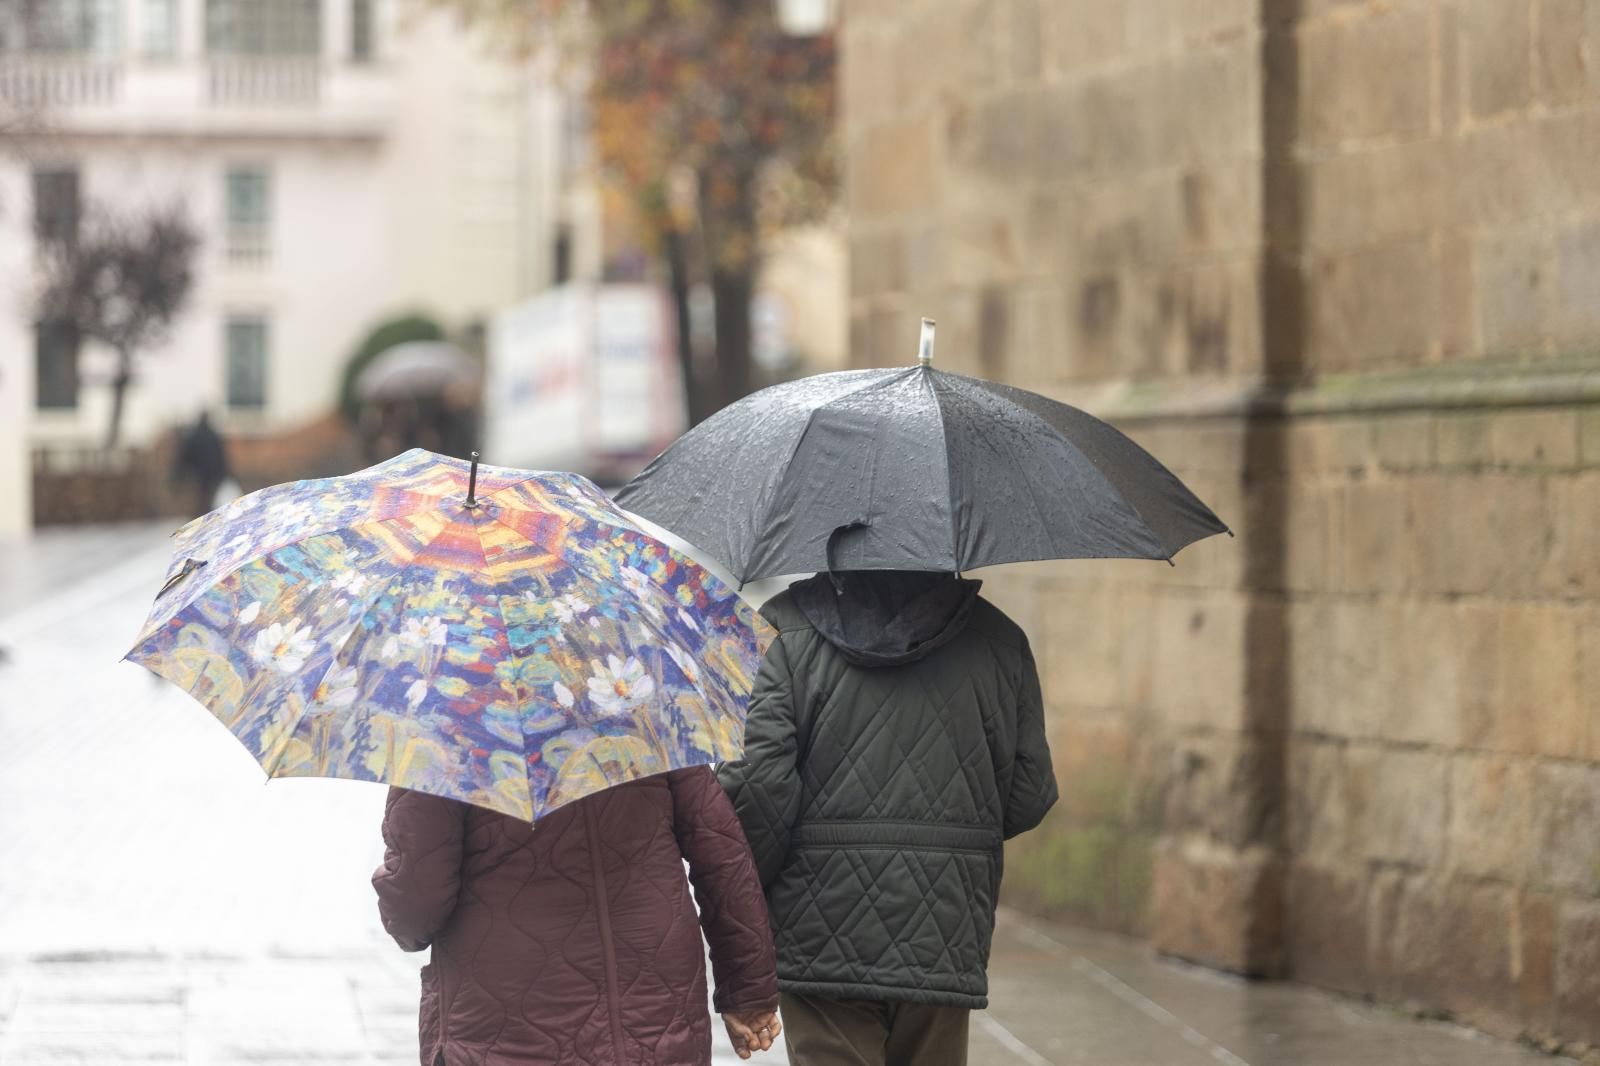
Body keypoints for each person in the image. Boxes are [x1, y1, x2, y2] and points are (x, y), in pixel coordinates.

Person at [718, 571, 1058, 1066]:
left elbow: (757, 785)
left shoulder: (781, 630)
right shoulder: (999, 639)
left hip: (820, 924)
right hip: (943, 922)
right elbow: (1029, 792)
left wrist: (759, 899)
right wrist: (951, 846)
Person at [373, 766, 783, 1065]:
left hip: (506, 1025)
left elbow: (416, 906)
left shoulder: (448, 725)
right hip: (652, 1008)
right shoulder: (640, 697)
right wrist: (748, 990)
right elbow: (721, 855)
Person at [172, 411, 229, 518]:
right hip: (213, 475)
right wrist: (224, 474)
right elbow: (221, 457)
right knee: (209, 501)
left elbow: (185, 456)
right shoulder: (213, 435)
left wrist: (180, 474)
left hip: (197, 476)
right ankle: (208, 518)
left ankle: (200, 520)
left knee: (199, 502)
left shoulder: (193, 435)